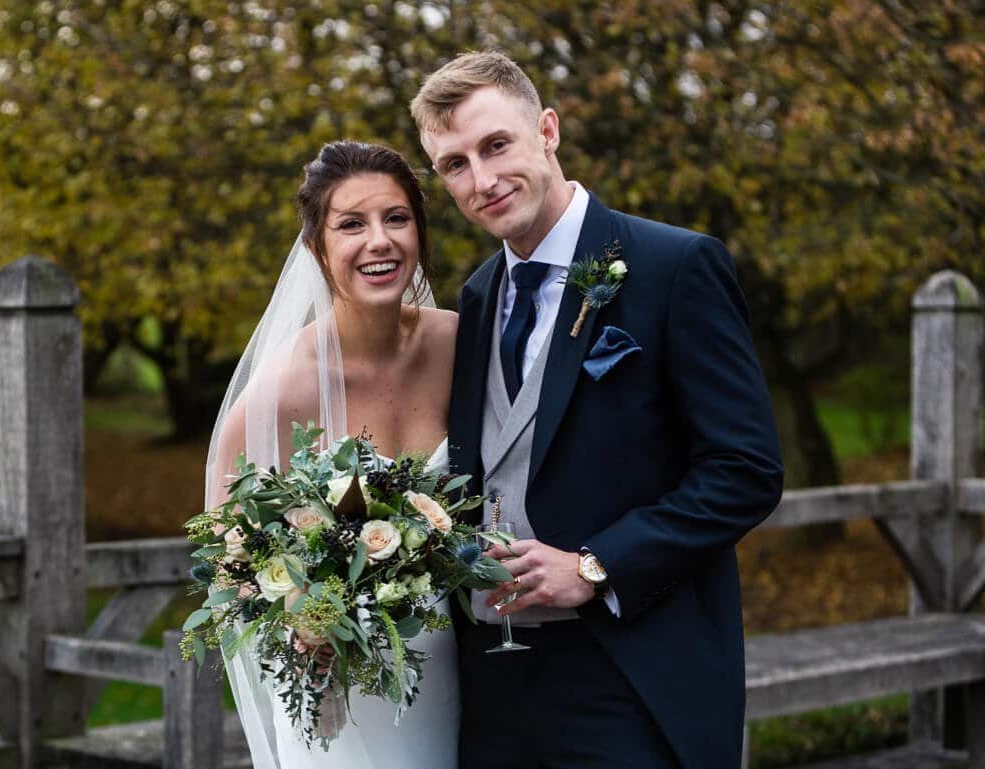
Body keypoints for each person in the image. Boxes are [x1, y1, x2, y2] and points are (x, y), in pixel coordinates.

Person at [411, 51, 785, 769]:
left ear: (547, 131)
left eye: (496, 145)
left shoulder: (676, 266)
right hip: (495, 680)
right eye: (454, 164)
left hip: (630, 669)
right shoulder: (481, 296)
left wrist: (594, 566)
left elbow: (746, 469)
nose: (481, 180)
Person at [204, 140, 461, 769]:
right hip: (346, 699)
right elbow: (228, 568)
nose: (380, 240)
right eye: (352, 224)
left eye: (396, 218)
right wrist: (306, 630)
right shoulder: (277, 396)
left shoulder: (460, 345)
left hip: (461, 674)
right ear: (318, 247)